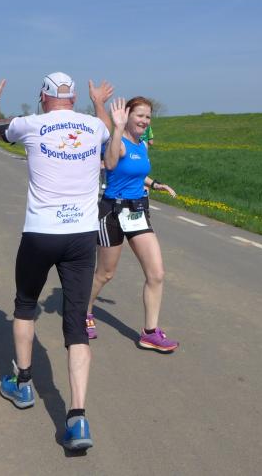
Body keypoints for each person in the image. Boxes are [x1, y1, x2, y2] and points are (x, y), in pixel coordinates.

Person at [0, 70, 112, 451]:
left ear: (43, 97)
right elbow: (106, 130)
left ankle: (23, 384)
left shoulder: (31, 124)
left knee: (25, 306)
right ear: (73, 98)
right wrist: (99, 103)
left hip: (41, 233)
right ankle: (78, 418)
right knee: (76, 325)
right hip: (82, 236)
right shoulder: (93, 126)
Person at [85, 97, 179, 352]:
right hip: (112, 212)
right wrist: (116, 128)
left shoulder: (141, 145)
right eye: (139, 115)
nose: (144, 121)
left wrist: (155, 184)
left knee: (156, 274)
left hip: (137, 211)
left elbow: (137, 173)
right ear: (126, 116)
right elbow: (111, 163)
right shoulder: (118, 143)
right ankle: (84, 310)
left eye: (148, 117)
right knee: (105, 274)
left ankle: (150, 333)